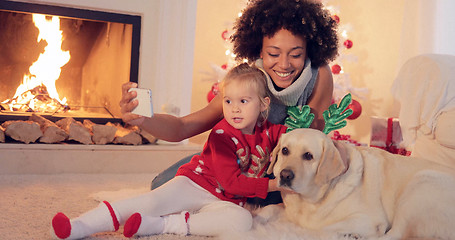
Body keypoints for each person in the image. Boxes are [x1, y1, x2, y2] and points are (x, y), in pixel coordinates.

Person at [120, 0, 338, 201]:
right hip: (237, 159)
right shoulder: (247, 81)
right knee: (161, 185)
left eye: (296, 55)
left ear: (308, 51)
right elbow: (183, 127)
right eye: (273, 53)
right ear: (259, 51)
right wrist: (144, 119)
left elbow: (312, 137)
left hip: (278, 169)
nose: (284, 64)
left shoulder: (319, 75)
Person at [51, 63, 290, 239]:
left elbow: (295, 139)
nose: (234, 109)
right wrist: (273, 185)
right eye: (228, 101)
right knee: (152, 201)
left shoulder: (270, 132)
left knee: (242, 221)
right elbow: (230, 183)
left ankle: (162, 226)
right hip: (195, 184)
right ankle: (79, 226)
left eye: (243, 102)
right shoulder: (221, 136)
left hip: (227, 201)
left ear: (264, 104)